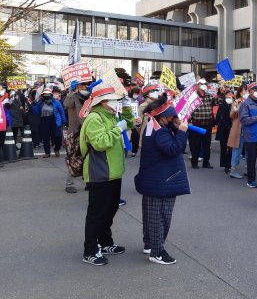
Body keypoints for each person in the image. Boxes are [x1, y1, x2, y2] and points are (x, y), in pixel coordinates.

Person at [80, 83, 134, 265]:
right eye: (112, 99)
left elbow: (129, 123)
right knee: (97, 214)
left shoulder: (110, 115)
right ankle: (90, 250)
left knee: (110, 210)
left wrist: (126, 108)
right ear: (101, 102)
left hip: (113, 173)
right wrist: (117, 129)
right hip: (100, 173)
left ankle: (104, 242)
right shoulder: (95, 118)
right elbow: (100, 143)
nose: (115, 102)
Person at [135, 95, 190, 265]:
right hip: (162, 180)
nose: (174, 119)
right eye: (171, 116)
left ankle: (150, 244)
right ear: (163, 116)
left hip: (154, 178)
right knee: (161, 216)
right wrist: (181, 131)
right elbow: (174, 149)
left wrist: (175, 128)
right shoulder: (160, 131)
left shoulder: (153, 126)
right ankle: (157, 252)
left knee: (151, 215)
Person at [62, 80, 91, 193]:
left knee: (88, 157)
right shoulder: (73, 96)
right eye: (83, 84)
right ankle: (69, 183)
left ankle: (87, 181)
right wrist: (71, 91)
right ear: (78, 86)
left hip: (87, 131)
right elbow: (66, 104)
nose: (86, 86)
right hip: (74, 133)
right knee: (73, 158)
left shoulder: (90, 97)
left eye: (87, 84)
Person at [187, 78, 217, 169]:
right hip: (196, 124)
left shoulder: (209, 96)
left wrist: (220, 93)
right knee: (196, 144)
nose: (204, 85)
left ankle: (206, 162)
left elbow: (217, 102)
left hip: (207, 124)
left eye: (205, 84)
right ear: (197, 85)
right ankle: (194, 162)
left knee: (207, 145)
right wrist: (189, 121)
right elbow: (188, 109)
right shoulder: (193, 96)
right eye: (202, 84)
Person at [32, 88, 66, 158]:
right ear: (42, 95)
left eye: (47, 94)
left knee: (58, 136)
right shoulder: (40, 103)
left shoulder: (56, 102)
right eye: (45, 94)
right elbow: (37, 112)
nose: (46, 95)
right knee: (45, 137)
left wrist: (64, 120)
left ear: (50, 95)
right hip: (44, 120)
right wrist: (33, 105)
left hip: (54, 120)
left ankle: (57, 149)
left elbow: (61, 112)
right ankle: (47, 152)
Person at [228, 84, 247, 179]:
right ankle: (233, 170)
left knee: (249, 150)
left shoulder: (250, 101)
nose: (246, 92)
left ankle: (248, 168)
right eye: (244, 91)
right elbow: (231, 115)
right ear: (240, 92)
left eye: (247, 90)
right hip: (239, 130)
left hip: (248, 129)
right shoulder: (236, 102)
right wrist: (235, 110)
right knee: (237, 149)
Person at [215, 90, 233, 173]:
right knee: (224, 148)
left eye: (230, 97)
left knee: (231, 148)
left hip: (231, 130)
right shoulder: (222, 106)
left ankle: (229, 164)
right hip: (223, 130)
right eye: (227, 97)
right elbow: (219, 117)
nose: (229, 99)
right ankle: (225, 165)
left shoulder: (234, 106)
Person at [128, 87, 142, 157]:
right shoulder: (127, 100)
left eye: (137, 94)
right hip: (128, 119)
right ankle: (125, 150)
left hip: (135, 120)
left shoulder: (137, 101)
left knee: (135, 136)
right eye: (135, 93)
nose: (136, 95)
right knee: (127, 136)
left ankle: (134, 151)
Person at [0, 87, 10, 166]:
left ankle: (1, 158)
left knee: (1, 142)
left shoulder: (2, 104)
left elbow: (6, 115)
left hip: (2, 127)